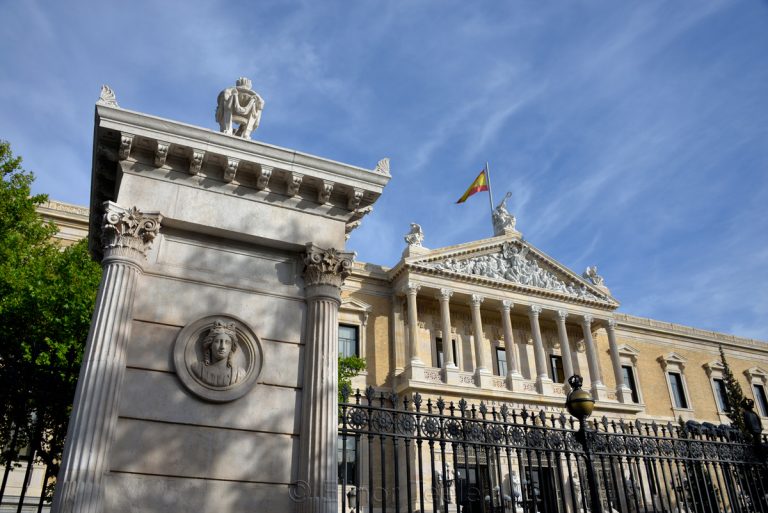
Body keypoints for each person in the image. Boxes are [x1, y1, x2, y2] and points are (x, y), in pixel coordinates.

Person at [195, 320, 247, 387]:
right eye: (217, 341)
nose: (222, 347)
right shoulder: (199, 369)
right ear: (210, 345)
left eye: (227, 342)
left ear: (231, 347)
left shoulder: (239, 373)